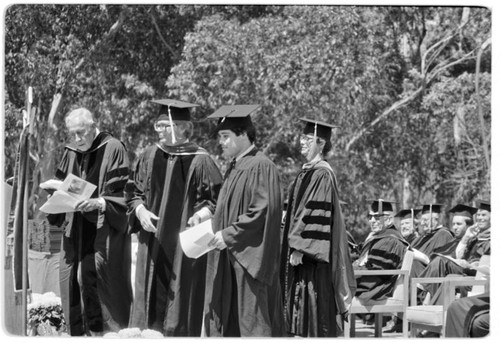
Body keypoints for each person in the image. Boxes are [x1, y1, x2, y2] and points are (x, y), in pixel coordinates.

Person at [126, 99, 223, 336]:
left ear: (179, 126)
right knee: (148, 301)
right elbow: (133, 192)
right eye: (157, 125)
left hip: (184, 249)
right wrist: (140, 210)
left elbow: (217, 200)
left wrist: (200, 215)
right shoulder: (149, 155)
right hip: (152, 246)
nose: (158, 130)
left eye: (163, 125)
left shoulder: (201, 160)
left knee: (180, 303)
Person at [46, 108, 132, 335]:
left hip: (101, 230)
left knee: (91, 281)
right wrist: (54, 196)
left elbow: (122, 191)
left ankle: (100, 335)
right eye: (73, 133)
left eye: (81, 132)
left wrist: (100, 202)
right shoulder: (72, 150)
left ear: (93, 126)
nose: (77, 139)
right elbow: (62, 181)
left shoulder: (113, 147)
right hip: (75, 228)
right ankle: (76, 334)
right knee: (70, 282)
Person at [203, 105, 284, 337]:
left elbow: (260, 212)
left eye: (225, 136)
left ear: (243, 134)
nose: (221, 142)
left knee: (252, 324)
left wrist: (227, 235)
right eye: (220, 137)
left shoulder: (261, 165)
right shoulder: (235, 166)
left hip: (249, 261)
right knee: (230, 322)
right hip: (230, 256)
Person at [280, 118, 355, 337]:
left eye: (307, 138)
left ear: (320, 143)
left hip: (311, 262)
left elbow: (314, 216)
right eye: (301, 138)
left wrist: (300, 247)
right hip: (303, 260)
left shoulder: (321, 174)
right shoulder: (307, 172)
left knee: (311, 318)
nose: (301, 142)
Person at [418, 200, 491, 303]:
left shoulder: (491, 238)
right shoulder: (476, 237)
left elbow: (487, 264)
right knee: (447, 273)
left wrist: (471, 265)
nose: (480, 218)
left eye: (483, 215)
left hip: (478, 275)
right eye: (478, 215)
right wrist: (466, 238)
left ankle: (421, 295)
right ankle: (431, 306)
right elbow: (460, 256)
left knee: (441, 261)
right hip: (465, 270)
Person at [353, 199, 409, 301]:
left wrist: (350, 273)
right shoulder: (380, 237)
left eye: (377, 217)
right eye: (370, 217)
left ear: (388, 220)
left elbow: (376, 273)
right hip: (373, 284)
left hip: (376, 290)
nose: (372, 220)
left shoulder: (389, 240)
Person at [410, 203, 455, 277]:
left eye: (425, 220)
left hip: (429, 279)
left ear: (436, 219)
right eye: (422, 220)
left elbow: (436, 263)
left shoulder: (443, 235)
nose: (422, 223)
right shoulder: (423, 237)